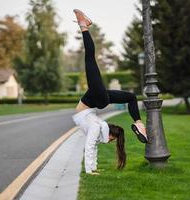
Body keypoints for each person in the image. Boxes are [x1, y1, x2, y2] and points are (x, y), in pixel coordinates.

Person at [72, 9, 150, 175]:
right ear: (110, 134)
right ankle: (139, 123)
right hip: (95, 100)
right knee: (131, 97)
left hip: (95, 100)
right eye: (112, 140)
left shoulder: (96, 127)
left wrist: (91, 169)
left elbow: (90, 146)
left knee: (90, 58)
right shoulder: (98, 127)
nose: (109, 142)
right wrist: (91, 169)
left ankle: (84, 26)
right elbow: (92, 145)